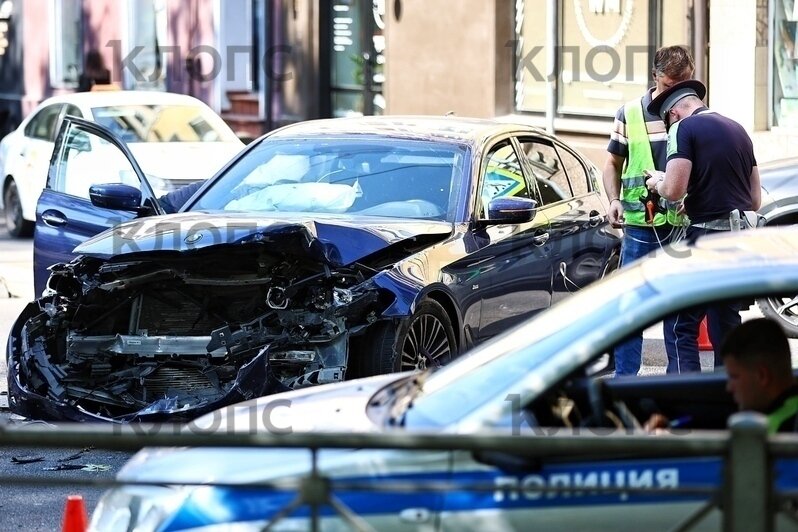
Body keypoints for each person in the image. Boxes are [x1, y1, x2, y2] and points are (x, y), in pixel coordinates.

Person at [645, 79, 761, 373]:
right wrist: (698, 198)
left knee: (681, 324)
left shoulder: (683, 129)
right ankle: (728, 398)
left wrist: (657, 183)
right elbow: (754, 199)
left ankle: (688, 397)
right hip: (739, 239)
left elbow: (673, 189)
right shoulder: (738, 129)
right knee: (726, 324)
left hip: (706, 240)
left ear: (673, 114)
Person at [603, 45, 694, 376]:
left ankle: (678, 385)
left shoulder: (695, 113)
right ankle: (625, 382)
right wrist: (613, 199)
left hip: (681, 225)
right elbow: (612, 163)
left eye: (685, 83)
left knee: (677, 310)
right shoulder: (629, 113)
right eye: (671, 85)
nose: (678, 93)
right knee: (632, 310)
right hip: (641, 226)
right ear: (656, 78)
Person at [646, 318, 798, 433]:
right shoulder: (779, 410)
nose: (729, 386)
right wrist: (673, 425)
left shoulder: (779, 430)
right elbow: (720, 418)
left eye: (734, 377)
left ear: (762, 376)